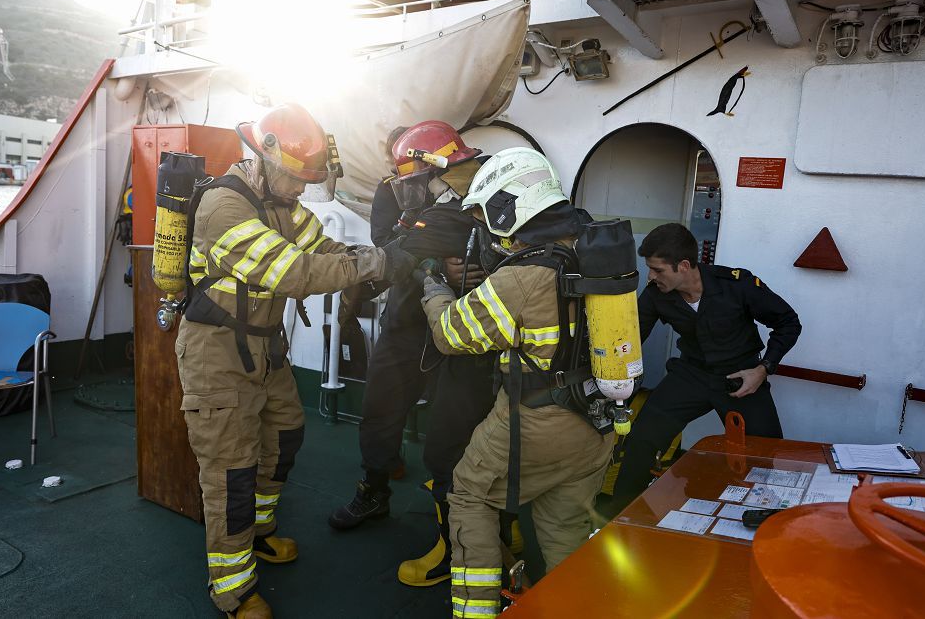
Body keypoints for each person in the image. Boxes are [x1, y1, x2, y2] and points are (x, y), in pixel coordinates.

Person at [176, 103, 415, 619]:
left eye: (308, 180)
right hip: (216, 354)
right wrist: (374, 263)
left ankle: (259, 534)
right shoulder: (224, 207)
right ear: (262, 158)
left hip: (265, 347)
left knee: (284, 433)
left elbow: (323, 248)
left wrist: (382, 260)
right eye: (294, 178)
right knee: (231, 471)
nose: (301, 189)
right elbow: (294, 273)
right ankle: (233, 589)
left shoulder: (283, 204)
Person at [420, 148, 616, 618]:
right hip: (595, 422)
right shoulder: (596, 254)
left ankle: (476, 611)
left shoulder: (522, 276)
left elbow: (450, 334)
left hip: (535, 423)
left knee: (467, 494)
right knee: (563, 527)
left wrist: (435, 290)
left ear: (509, 211)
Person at [329, 120, 502, 588]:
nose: (406, 184)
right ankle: (375, 490)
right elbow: (394, 249)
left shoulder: (484, 188)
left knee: (454, 433)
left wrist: (472, 266)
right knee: (380, 408)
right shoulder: (402, 195)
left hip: (463, 331)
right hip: (409, 321)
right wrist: (435, 264)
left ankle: (465, 527)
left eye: (411, 175)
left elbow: (502, 253)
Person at [609, 222, 802, 514]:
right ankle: (618, 515)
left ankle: (767, 517)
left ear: (684, 265)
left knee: (765, 452)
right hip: (691, 374)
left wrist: (762, 370)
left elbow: (788, 322)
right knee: (641, 440)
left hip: (741, 377)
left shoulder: (737, 285)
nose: (651, 276)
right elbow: (632, 337)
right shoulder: (657, 294)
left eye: (658, 269)